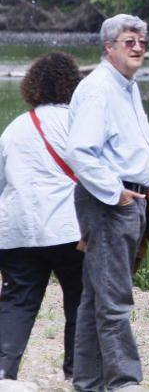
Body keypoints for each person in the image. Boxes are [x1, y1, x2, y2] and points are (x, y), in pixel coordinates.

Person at [65, 14, 149, 392]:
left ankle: (88, 381)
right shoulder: (100, 88)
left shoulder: (125, 85)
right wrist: (115, 192)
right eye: (128, 41)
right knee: (115, 297)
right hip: (110, 202)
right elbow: (79, 151)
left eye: (141, 42)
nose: (137, 48)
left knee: (95, 295)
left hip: (127, 198)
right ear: (109, 47)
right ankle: (124, 381)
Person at [0, 53, 84, 380]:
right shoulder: (77, 123)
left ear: (31, 86)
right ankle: (76, 374)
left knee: (17, 302)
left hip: (15, 231)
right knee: (79, 299)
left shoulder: (14, 128)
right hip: (68, 229)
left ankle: (4, 372)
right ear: (73, 86)